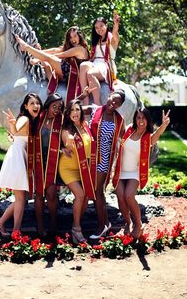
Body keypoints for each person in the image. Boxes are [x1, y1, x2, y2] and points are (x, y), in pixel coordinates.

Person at [113, 107, 170, 239]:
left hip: (134, 172)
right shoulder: (128, 130)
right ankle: (128, 223)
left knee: (128, 196)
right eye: (138, 118)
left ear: (147, 119)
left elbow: (157, 135)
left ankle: (138, 224)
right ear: (135, 119)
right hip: (121, 171)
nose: (141, 120)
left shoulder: (147, 138)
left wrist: (164, 124)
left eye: (143, 118)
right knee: (120, 196)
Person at [0, 93, 43, 236]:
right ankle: (16, 231)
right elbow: (17, 128)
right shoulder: (25, 119)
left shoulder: (33, 121)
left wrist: (14, 134)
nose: (35, 106)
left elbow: (17, 135)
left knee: (21, 198)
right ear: (26, 106)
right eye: (32, 103)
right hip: (17, 159)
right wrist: (13, 125)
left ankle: (1, 223)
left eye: (37, 103)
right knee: (21, 198)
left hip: (21, 157)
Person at [82, 89, 126, 239]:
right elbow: (72, 109)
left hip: (104, 160)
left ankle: (102, 225)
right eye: (112, 99)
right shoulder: (94, 110)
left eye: (117, 103)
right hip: (89, 158)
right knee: (94, 192)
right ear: (108, 96)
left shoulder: (119, 120)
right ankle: (105, 223)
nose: (113, 104)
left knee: (97, 191)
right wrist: (82, 97)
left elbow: (126, 138)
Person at [58, 99, 96, 244]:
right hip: (68, 168)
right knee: (80, 195)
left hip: (83, 167)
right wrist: (68, 142)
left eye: (78, 110)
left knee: (86, 196)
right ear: (68, 113)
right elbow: (67, 141)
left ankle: (75, 226)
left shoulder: (85, 126)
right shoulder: (66, 129)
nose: (75, 113)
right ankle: (77, 228)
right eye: (72, 110)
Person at [34, 93, 64, 237]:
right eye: (54, 106)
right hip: (38, 160)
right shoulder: (38, 117)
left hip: (53, 160)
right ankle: (39, 226)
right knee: (39, 194)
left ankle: (53, 224)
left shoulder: (61, 120)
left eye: (59, 107)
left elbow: (65, 137)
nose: (57, 109)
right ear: (48, 104)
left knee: (51, 194)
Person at [80, 12, 120, 105]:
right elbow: (92, 57)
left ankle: (97, 104)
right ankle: (85, 101)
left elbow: (115, 33)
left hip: (106, 65)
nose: (99, 29)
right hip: (95, 63)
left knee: (90, 73)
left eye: (101, 26)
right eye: (96, 27)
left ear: (106, 26)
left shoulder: (112, 40)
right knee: (83, 65)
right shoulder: (96, 41)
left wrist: (116, 24)